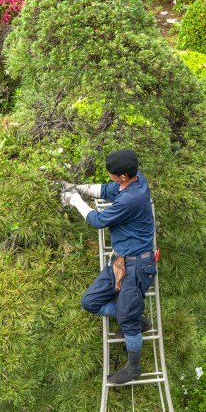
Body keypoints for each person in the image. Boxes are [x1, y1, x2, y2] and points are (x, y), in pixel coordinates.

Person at [60, 149, 157, 385]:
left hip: (137, 266)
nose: (110, 176)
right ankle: (138, 320)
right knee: (90, 302)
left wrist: (74, 200)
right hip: (120, 262)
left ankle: (134, 366)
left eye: (112, 174)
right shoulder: (135, 180)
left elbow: (98, 220)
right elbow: (107, 190)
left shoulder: (130, 199)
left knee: (127, 318)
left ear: (123, 176)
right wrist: (78, 187)